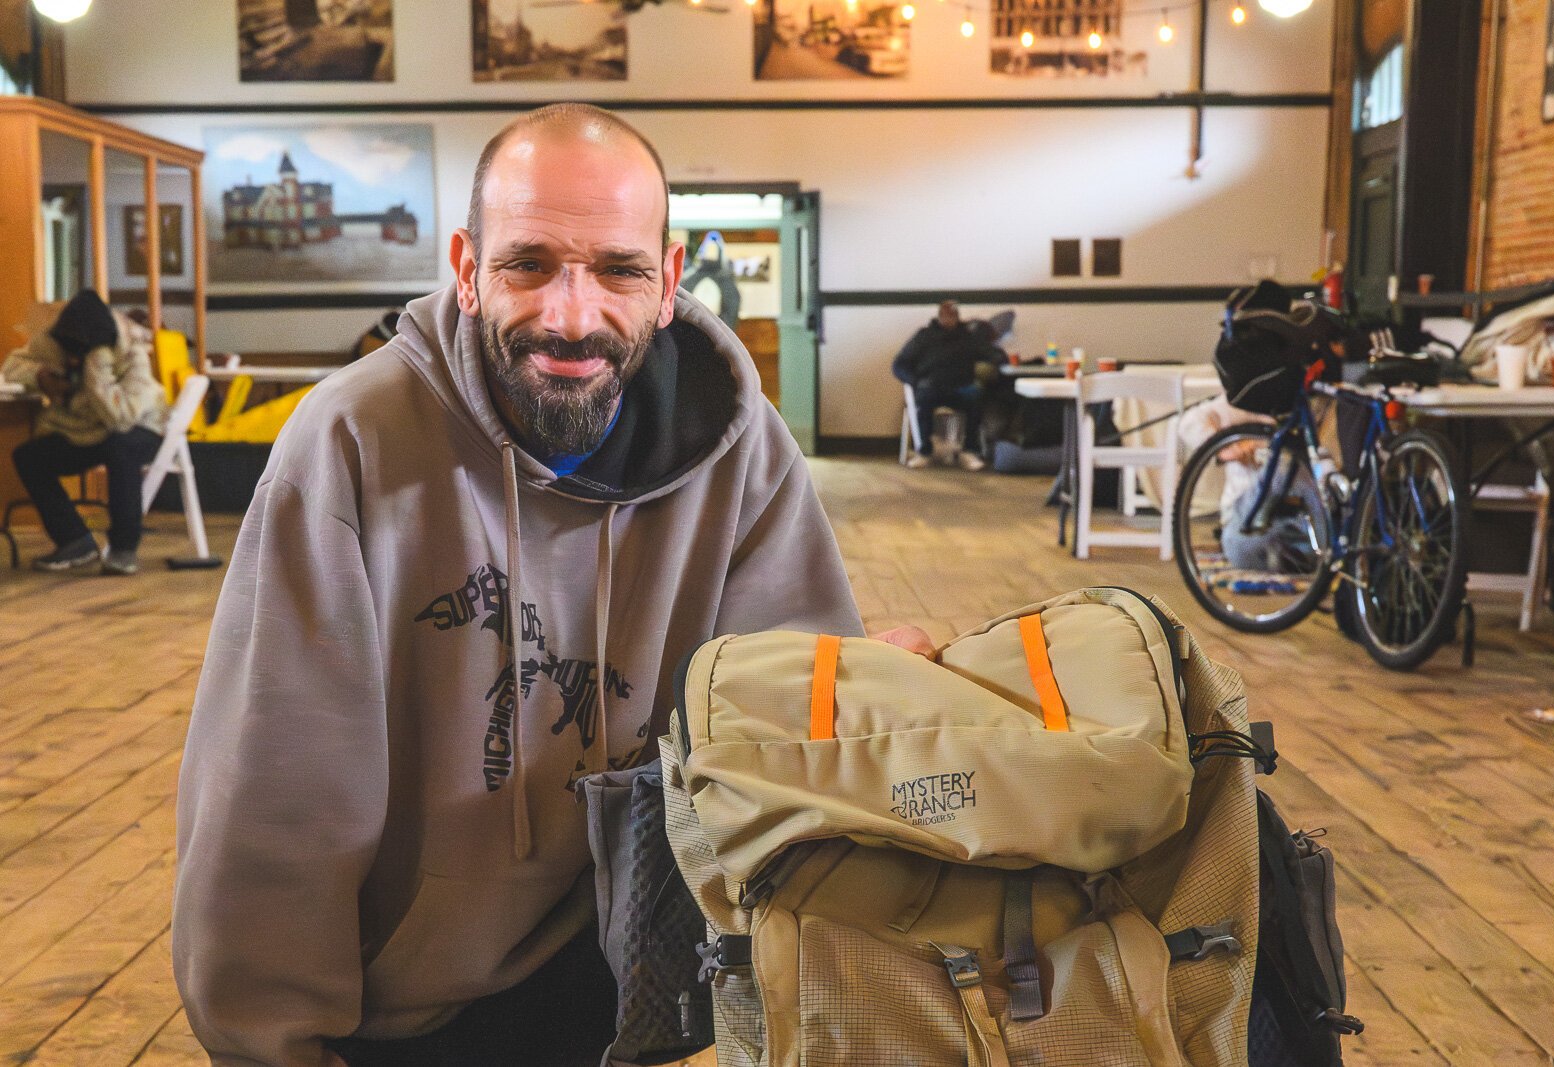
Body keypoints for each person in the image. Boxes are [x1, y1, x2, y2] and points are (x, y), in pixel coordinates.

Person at [173, 104, 878, 1067]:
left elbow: (794, 716)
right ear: (466, 270)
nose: (571, 315)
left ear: (669, 283)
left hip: (642, 992)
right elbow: (276, 789)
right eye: (528, 263)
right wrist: (273, 1041)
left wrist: (877, 700)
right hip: (411, 1010)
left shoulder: (741, 447)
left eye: (619, 270)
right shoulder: (349, 443)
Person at [1, 289, 168, 576]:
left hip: (140, 427)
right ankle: (74, 540)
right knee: (30, 457)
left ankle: (123, 549)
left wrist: (96, 371)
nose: (73, 360)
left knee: (120, 449)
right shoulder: (58, 339)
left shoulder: (131, 353)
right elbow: (14, 365)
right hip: (86, 430)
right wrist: (41, 376)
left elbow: (120, 417)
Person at [892, 299, 1002, 470]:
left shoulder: (968, 337)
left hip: (961, 387)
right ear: (940, 317)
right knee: (924, 400)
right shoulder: (924, 336)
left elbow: (992, 354)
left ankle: (969, 451)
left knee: (976, 399)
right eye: (946, 316)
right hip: (931, 386)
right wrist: (915, 382)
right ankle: (925, 452)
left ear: (957, 317)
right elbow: (899, 364)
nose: (949, 320)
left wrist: (999, 360)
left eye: (953, 316)